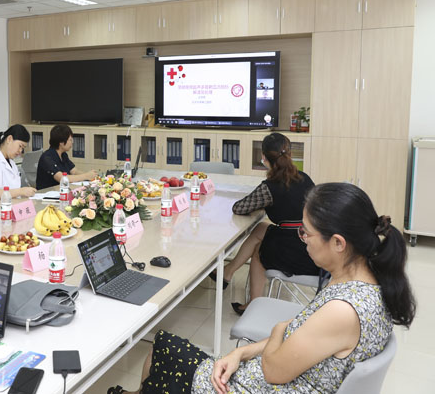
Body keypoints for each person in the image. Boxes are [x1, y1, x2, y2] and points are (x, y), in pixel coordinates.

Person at [110, 182, 415, 394]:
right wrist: (241, 353)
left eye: (306, 234)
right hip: (268, 378)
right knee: (166, 351)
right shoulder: (365, 280)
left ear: (338, 243)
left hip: (259, 386)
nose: (303, 240)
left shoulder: (342, 311)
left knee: (162, 347)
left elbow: (273, 370)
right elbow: (299, 337)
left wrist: (281, 328)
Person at [212, 132, 317, 315]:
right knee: (261, 228)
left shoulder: (270, 186)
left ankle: (253, 304)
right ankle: (228, 272)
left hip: (298, 253)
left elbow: (239, 208)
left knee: (261, 251)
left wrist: (264, 204)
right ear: (289, 154)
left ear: (264, 158)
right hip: (310, 241)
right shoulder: (305, 178)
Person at [35, 124, 97, 190]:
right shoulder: (47, 157)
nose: (72, 142)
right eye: (70, 140)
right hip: (47, 192)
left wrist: (91, 175)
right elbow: (62, 179)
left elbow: (74, 171)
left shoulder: (63, 154)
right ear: (61, 142)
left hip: (61, 190)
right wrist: (86, 176)